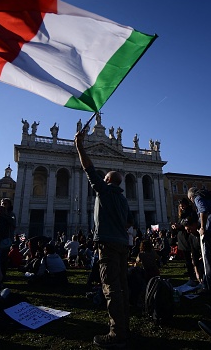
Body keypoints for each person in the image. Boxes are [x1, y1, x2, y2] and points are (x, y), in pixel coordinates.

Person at [75, 127, 131, 349]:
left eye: (105, 176)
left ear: (107, 180)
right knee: (123, 286)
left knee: (110, 287)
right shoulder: (124, 200)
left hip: (107, 245)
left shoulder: (104, 191)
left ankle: (117, 333)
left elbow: (88, 168)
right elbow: (128, 223)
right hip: (122, 243)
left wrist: (79, 145)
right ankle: (124, 326)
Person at [172, 198, 199, 286]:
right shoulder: (181, 215)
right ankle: (191, 276)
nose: (181, 207)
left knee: (194, 257)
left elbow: (191, 224)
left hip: (189, 237)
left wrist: (180, 226)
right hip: (182, 238)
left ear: (187, 205)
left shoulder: (191, 213)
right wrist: (176, 226)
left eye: (183, 205)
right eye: (180, 206)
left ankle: (197, 275)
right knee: (187, 259)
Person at [0, 198, 16, 280]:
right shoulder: (0, 216)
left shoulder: (8, 215)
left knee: (2, 259)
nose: (3, 205)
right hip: (3, 240)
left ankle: (0, 276)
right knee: (0, 259)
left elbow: (0, 232)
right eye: (2, 203)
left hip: (4, 240)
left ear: (9, 205)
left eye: (5, 204)